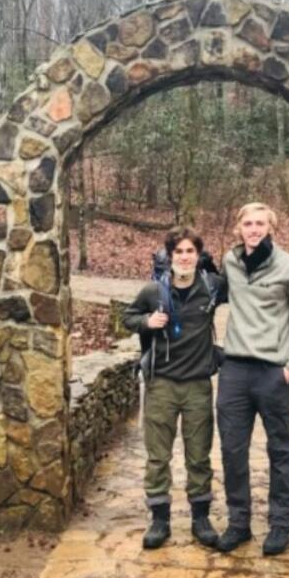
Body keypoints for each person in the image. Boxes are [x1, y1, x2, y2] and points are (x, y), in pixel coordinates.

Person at [215, 202, 289, 556]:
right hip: (235, 372)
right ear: (238, 228)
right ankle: (239, 523)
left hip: (273, 373)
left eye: (260, 223)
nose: (254, 229)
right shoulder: (230, 262)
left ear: (270, 227)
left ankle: (279, 524)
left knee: (279, 449)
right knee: (231, 450)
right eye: (248, 223)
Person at [121, 227, 226, 550]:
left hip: (197, 385)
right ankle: (160, 520)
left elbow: (251, 296)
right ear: (169, 257)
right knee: (158, 456)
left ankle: (200, 518)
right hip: (161, 385)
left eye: (190, 251)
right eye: (178, 252)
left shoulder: (212, 287)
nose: (184, 257)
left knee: (199, 456)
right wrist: (146, 323)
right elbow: (128, 316)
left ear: (198, 256)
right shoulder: (154, 291)